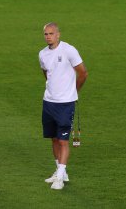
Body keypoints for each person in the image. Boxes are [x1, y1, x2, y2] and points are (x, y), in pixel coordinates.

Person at [38, 22, 88, 190]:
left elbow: (83, 72)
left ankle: (60, 177)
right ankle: (60, 171)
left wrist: (74, 91)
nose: (48, 36)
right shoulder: (42, 54)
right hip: (49, 102)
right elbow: (46, 73)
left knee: (63, 140)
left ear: (58, 34)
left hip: (65, 104)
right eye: (46, 34)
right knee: (53, 138)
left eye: (51, 33)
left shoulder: (69, 50)